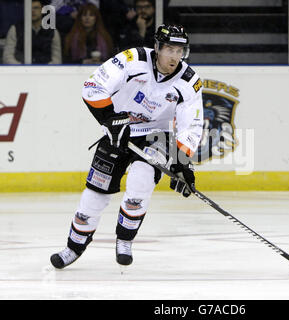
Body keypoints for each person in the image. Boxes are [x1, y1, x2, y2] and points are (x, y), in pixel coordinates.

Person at [50, 24, 204, 269]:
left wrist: (182, 162)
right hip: (119, 131)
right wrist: (110, 118)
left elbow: (191, 126)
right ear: (157, 47)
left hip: (156, 136)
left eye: (180, 51)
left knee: (140, 183)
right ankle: (73, 247)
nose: (175, 57)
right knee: (94, 196)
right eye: (170, 50)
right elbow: (92, 86)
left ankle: (125, 240)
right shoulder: (132, 60)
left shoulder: (189, 81)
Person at [2, 0, 62, 64]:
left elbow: (57, 59)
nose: (32, 11)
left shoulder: (53, 31)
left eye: (36, 8)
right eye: (29, 8)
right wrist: (22, 69)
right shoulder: (15, 29)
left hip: (46, 72)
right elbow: (7, 56)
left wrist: (45, 70)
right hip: (21, 71)